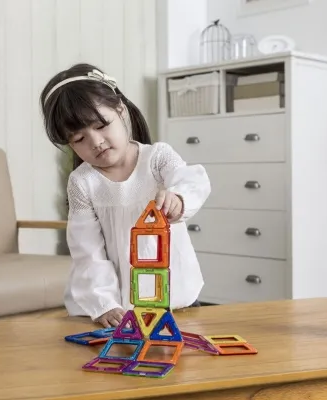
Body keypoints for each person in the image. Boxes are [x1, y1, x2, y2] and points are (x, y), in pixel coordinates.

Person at [39, 63, 211, 328]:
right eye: (79, 139)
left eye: (101, 125)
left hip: (175, 298)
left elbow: (191, 180)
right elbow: (88, 252)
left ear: (120, 110)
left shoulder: (157, 158)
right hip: (116, 309)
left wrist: (178, 198)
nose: (96, 142)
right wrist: (104, 304)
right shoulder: (82, 182)